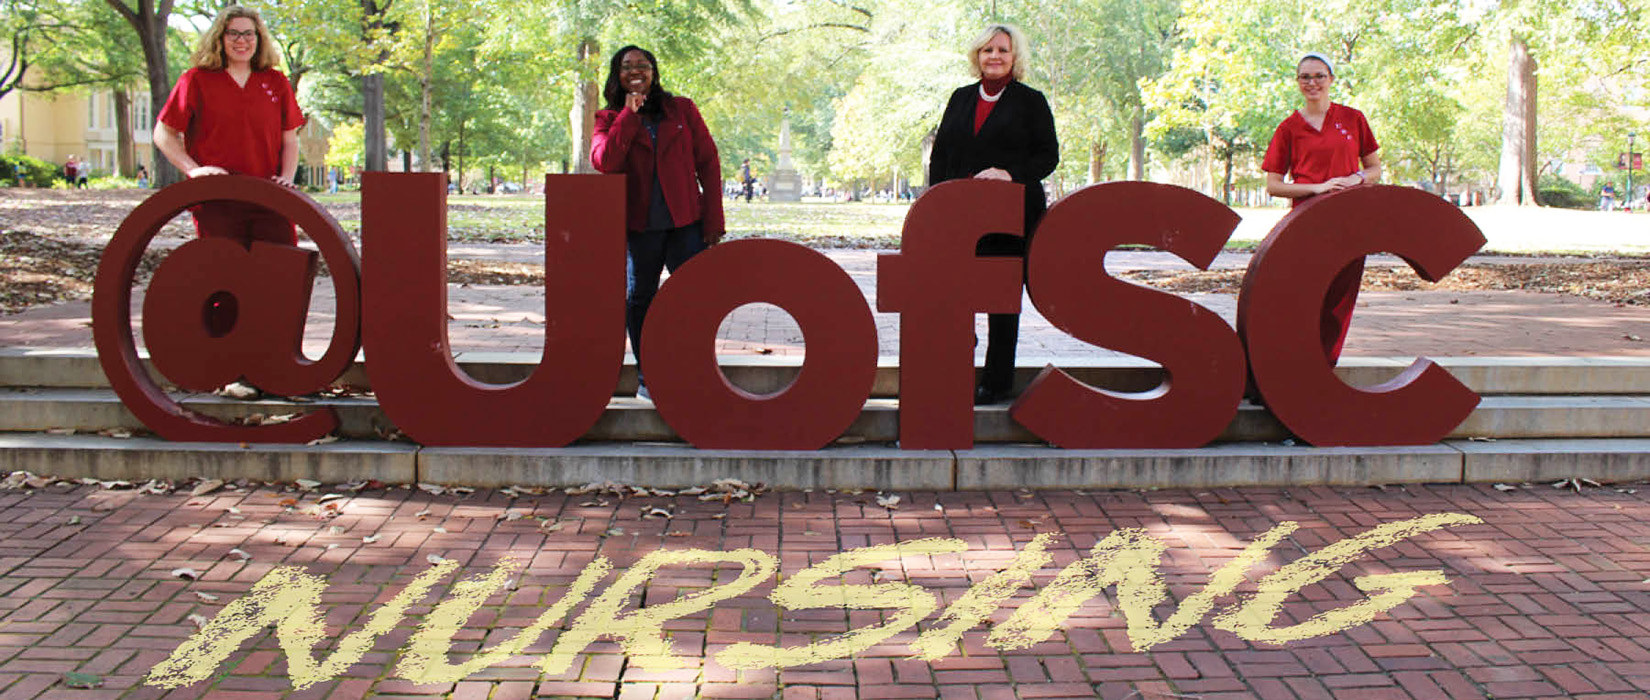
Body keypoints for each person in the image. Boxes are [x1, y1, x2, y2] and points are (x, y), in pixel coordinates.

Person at [152, 4, 304, 399]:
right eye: (233, 33)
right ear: (220, 38)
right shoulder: (197, 80)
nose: (241, 41)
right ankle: (231, 372)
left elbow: (290, 139)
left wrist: (286, 181)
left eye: (249, 34)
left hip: (269, 200)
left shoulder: (275, 82)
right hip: (217, 201)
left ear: (259, 39)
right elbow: (164, 134)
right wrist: (192, 170)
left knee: (277, 281)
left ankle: (278, 368)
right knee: (224, 283)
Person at [928, 24, 1059, 405]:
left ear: (1014, 56)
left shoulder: (1031, 101)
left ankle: (996, 382)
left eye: (1002, 49)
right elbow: (941, 157)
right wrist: (937, 204)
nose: (994, 56)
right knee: (952, 294)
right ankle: (951, 367)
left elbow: (1047, 157)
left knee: (1001, 301)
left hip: (1011, 215)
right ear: (977, 56)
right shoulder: (960, 98)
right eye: (987, 50)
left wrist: (1008, 173)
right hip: (959, 217)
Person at [591, 45, 725, 400]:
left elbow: (708, 163)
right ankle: (648, 376)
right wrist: (629, 116)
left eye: (643, 64)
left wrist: (713, 220)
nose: (635, 70)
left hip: (686, 222)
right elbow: (605, 161)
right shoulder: (607, 119)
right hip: (640, 227)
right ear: (616, 75)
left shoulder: (681, 109)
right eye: (626, 66)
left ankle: (693, 367)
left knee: (694, 298)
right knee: (641, 299)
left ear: (654, 71)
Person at [1261, 51, 1382, 365]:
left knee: (1339, 298)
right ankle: (1293, 363)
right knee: (1304, 295)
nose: (1312, 82)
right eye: (1305, 77)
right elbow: (1274, 185)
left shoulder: (1353, 119)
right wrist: (1317, 187)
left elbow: (1374, 169)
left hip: (1349, 219)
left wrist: (1354, 179)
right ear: (1298, 82)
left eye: (1319, 76)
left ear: (1331, 80)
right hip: (1306, 221)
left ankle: (1324, 366)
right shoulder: (1289, 128)